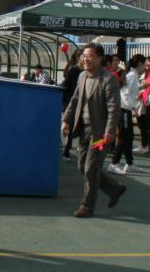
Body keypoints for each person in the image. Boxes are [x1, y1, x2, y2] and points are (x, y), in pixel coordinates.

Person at [60, 43, 126, 218]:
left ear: (99, 58)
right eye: (83, 56)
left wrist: (110, 132)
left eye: (89, 56)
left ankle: (87, 207)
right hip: (84, 129)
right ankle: (114, 188)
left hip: (100, 132)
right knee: (83, 165)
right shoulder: (82, 76)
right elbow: (75, 99)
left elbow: (114, 108)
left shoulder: (108, 79)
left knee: (91, 167)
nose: (85, 59)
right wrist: (66, 119)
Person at [108, 54, 145, 175]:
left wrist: (141, 87)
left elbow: (129, 90)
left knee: (129, 136)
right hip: (123, 109)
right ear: (140, 64)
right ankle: (113, 164)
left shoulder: (133, 75)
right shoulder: (132, 75)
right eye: (144, 64)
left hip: (126, 109)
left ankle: (129, 163)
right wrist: (131, 107)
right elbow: (124, 92)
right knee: (124, 137)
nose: (145, 67)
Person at [60, 49, 82, 161]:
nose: (85, 59)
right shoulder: (73, 70)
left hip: (83, 104)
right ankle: (66, 151)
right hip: (72, 103)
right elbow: (67, 87)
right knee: (70, 128)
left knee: (82, 129)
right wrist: (66, 105)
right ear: (78, 57)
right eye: (83, 56)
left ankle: (80, 149)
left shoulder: (88, 71)